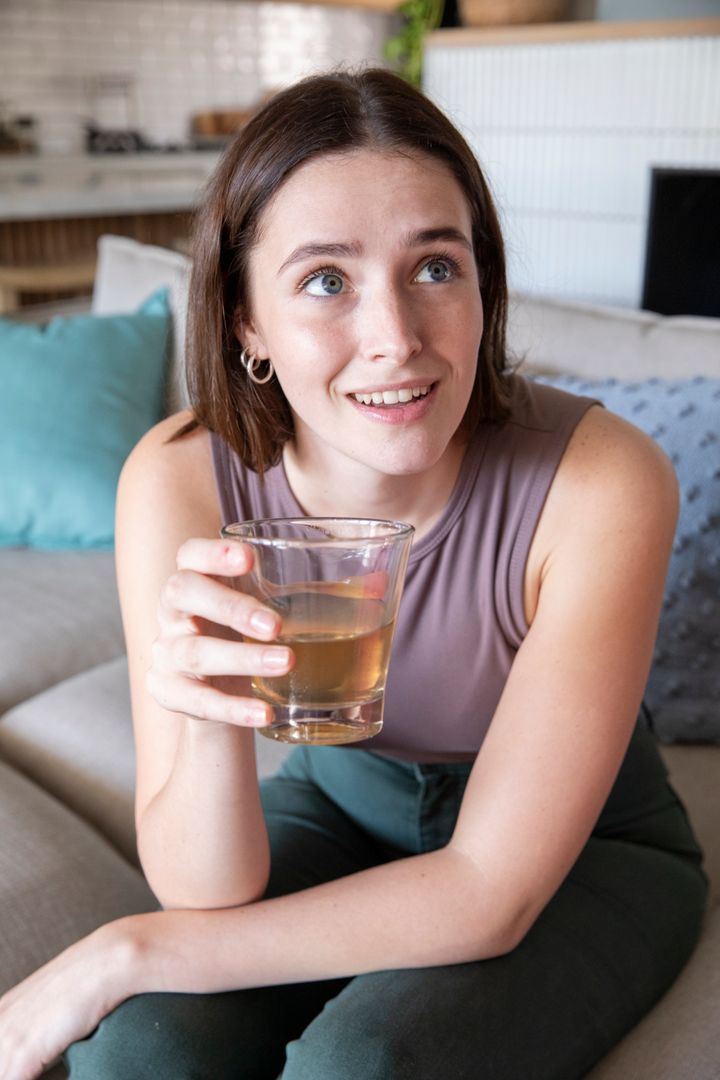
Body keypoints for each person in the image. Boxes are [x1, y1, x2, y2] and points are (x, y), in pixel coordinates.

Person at [0, 67, 707, 1080]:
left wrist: (126, 949)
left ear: (482, 285)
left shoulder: (603, 481)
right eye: (326, 280)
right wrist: (204, 719)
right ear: (247, 320)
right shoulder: (178, 478)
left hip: (589, 854)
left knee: (362, 1066)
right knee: (140, 1053)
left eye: (435, 267)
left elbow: (487, 892)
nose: (396, 340)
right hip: (339, 803)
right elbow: (206, 886)